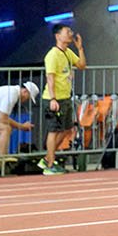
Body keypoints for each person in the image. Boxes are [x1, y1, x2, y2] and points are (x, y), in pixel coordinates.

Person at [40, 22, 85, 175]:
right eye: (67, 31)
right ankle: (50, 165)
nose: (70, 33)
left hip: (65, 98)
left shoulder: (67, 52)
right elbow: (50, 78)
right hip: (53, 99)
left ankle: (47, 158)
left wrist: (79, 48)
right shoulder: (52, 55)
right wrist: (53, 99)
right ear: (58, 36)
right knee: (53, 131)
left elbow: (81, 65)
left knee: (66, 129)